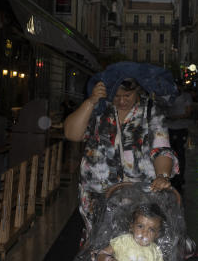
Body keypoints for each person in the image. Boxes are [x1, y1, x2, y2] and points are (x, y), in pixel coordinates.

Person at [63, 78, 178, 230]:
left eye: (127, 95)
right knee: (100, 246)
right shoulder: (100, 108)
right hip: (98, 195)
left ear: (137, 91)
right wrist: (91, 101)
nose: (122, 101)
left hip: (140, 197)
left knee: (136, 246)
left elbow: (161, 147)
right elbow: (72, 134)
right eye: (116, 96)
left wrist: (162, 175)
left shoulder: (151, 110)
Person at [166, 83, 195, 190]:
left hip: (181, 129)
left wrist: (175, 117)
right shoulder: (167, 96)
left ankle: (179, 178)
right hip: (168, 129)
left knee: (180, 154)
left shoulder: (186, 96)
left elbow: (188, 112)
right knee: (169, 154)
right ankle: (171, 177)